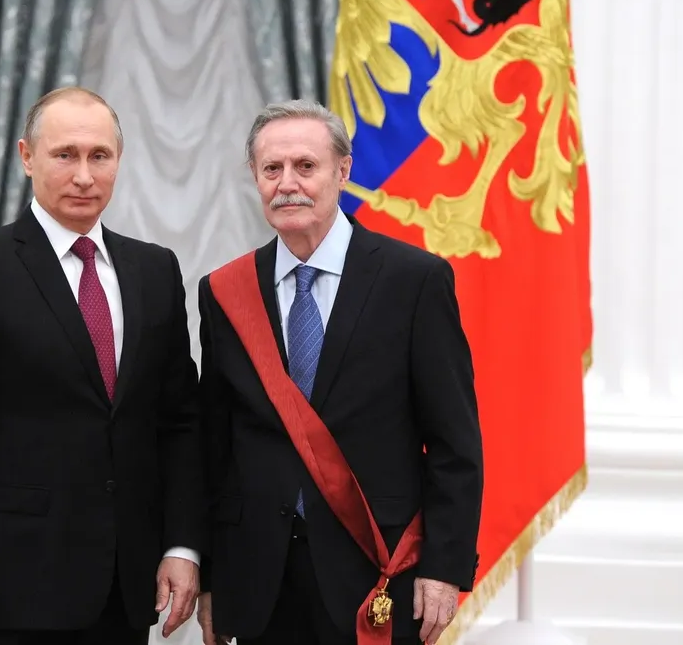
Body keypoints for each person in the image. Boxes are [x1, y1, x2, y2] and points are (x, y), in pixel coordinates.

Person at [0, 86, 203, 645]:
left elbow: (180, 424)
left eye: (99, 156)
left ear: (118, 160)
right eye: (65, 155)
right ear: (26, 157)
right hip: (13, 585)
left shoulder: (155, 270)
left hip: (125, 586)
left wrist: (182, 546)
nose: (84, 176)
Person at [194, 100, 484, 645]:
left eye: (306, 166)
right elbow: (214, 445)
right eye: (272, 168)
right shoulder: (224, 291)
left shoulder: (414, 281)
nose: (287, 184)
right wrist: (211, 575)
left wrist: (445, 568)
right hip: (259, 581)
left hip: (378, 569)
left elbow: (454, 442)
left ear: (343, 171)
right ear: (254, 176)